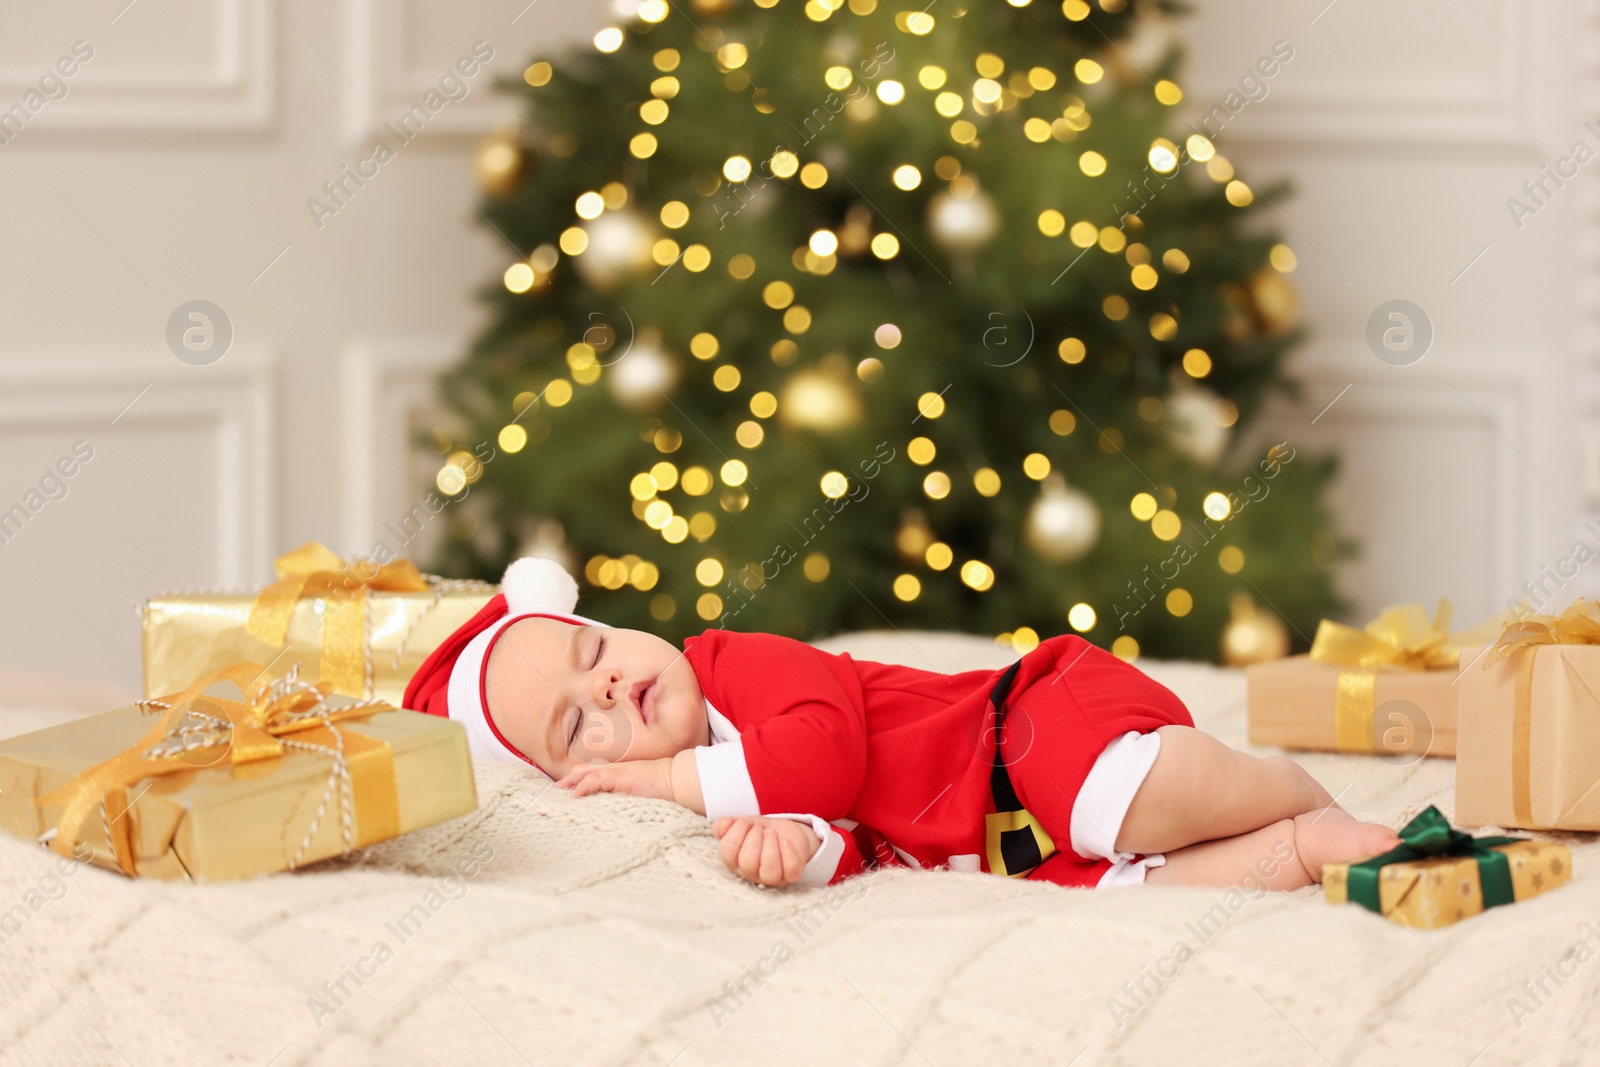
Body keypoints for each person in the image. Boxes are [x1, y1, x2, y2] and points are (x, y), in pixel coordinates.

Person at [404, 558, 1399, 890]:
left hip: (1031, 726)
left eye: (596, 655)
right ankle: (1304, 844)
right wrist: (798, 851)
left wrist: (664, 779)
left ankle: (1282, 784)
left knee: (1113, 798)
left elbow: (824, 754)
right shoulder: (723, 785)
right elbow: (856, 841)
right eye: (579, 727)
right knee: (1132, 887)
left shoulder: (729, 667)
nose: (612, 690)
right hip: (1006, 848)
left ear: (616, 625)